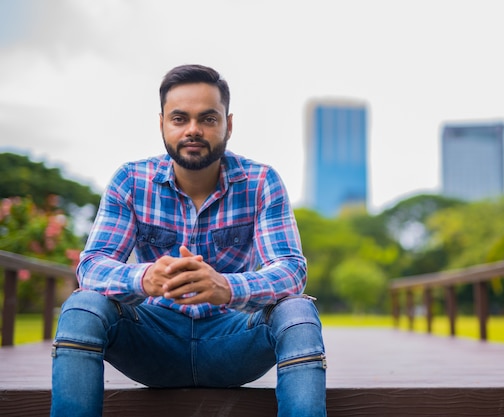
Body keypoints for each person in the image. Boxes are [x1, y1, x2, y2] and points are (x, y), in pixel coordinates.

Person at [50, 64, 327, 417]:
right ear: (162, 122)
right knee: (82, 306)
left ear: (229, 124)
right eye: (180, 118)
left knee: (299, 310)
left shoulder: (261, 181)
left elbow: (290, 270)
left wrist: (226, 286)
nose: (193, 130)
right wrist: (144, 278)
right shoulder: (130, 180)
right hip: (152, 342)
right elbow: (91, 266)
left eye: (208, 119)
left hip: (232, 341)